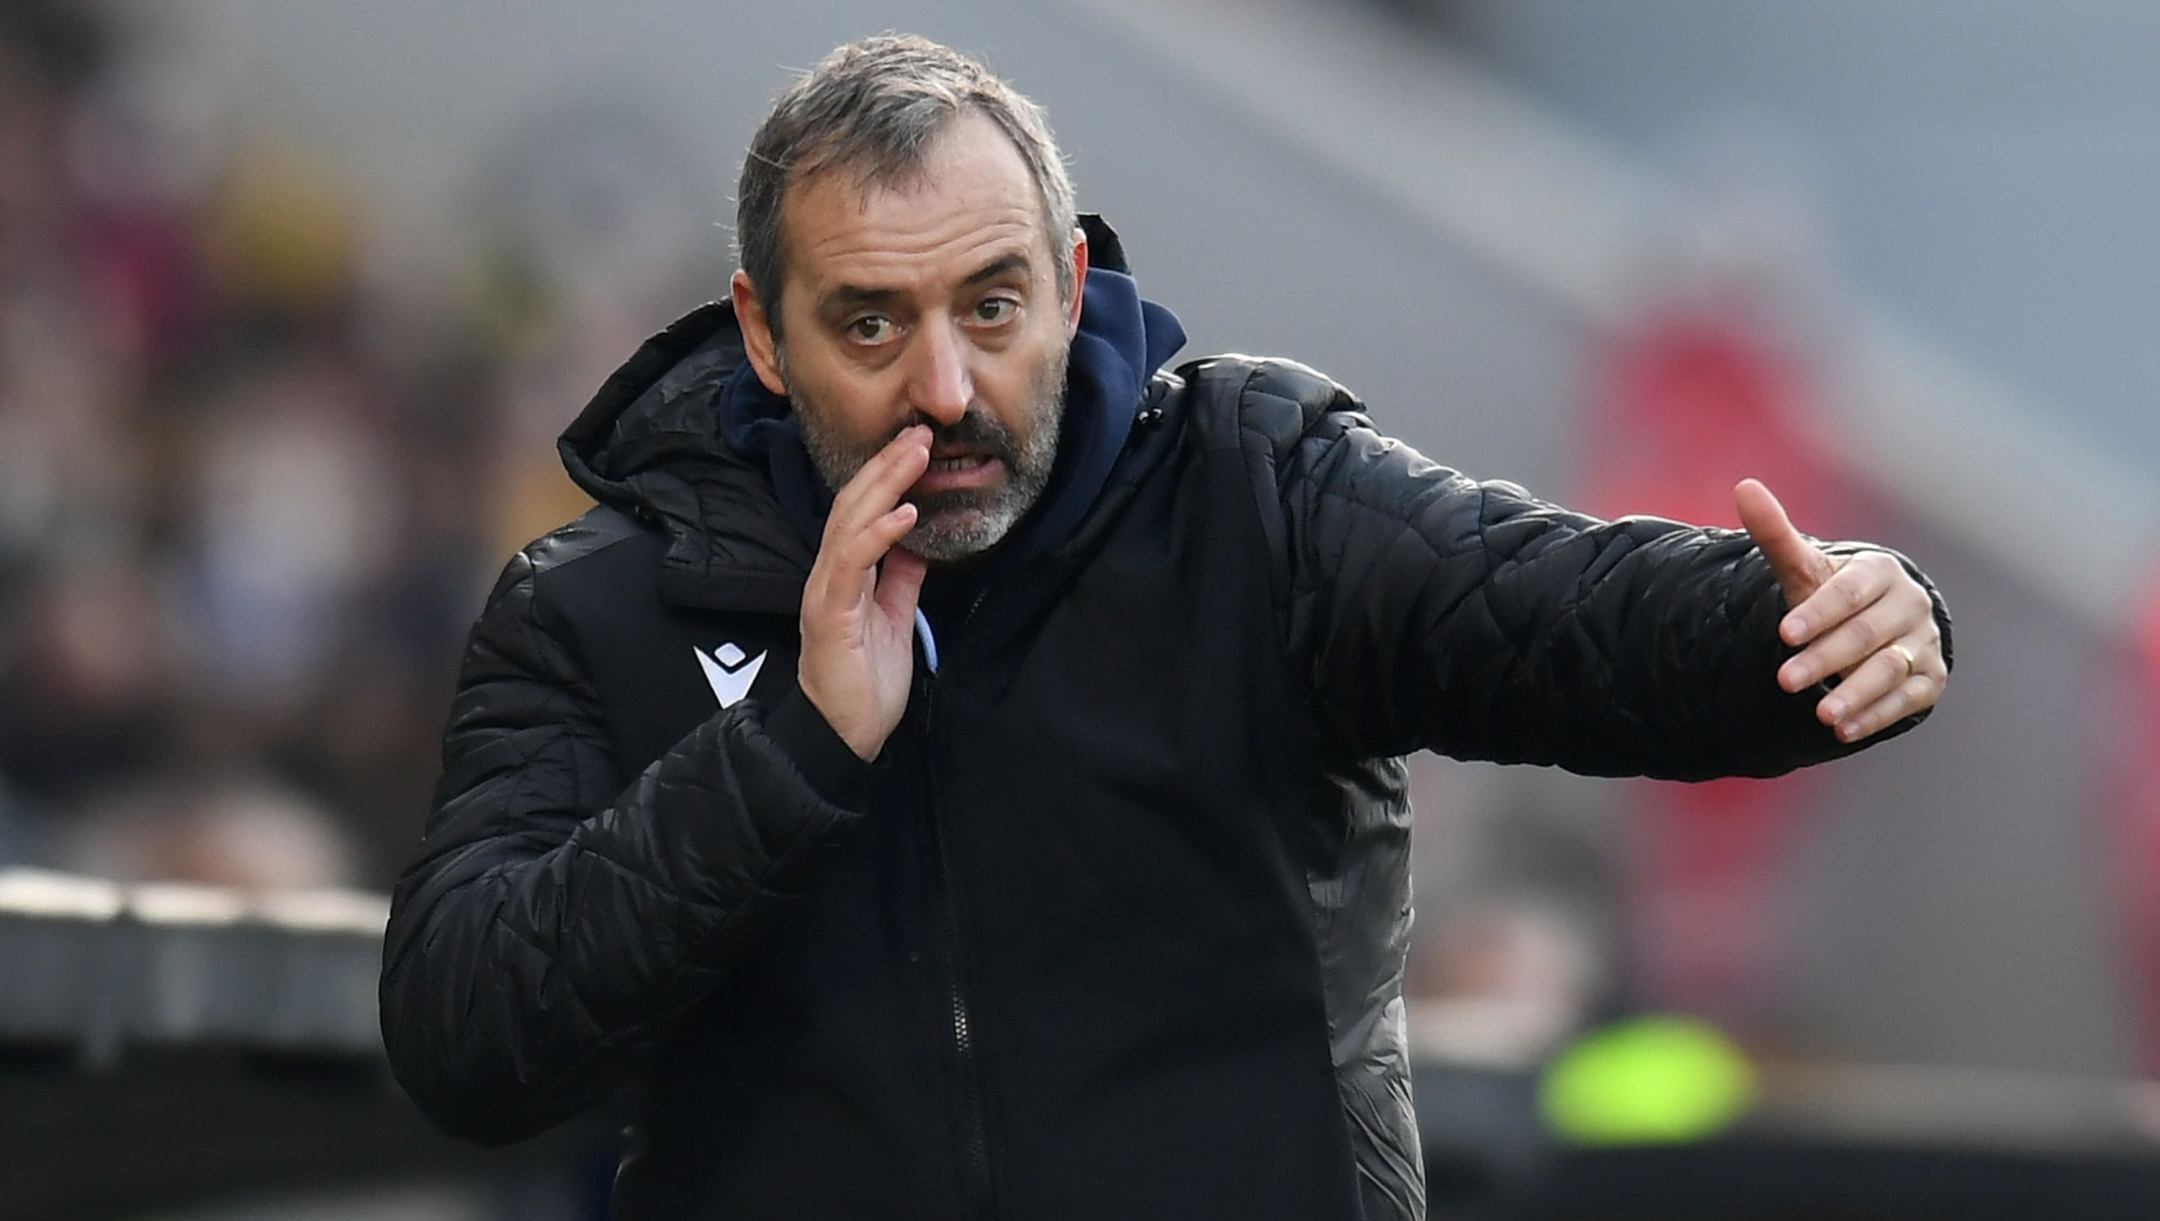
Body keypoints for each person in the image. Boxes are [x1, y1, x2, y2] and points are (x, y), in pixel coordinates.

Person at [378, 33, 1950, 1221]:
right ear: (761, 337)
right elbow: (463, 1039)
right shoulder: (596, 604)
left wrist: (1811, 624)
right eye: (871, 323)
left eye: (992, 307)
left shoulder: (1258, 499)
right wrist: (793, 747)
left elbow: (1555, 614)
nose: (947, 387)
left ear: (1069, 286)